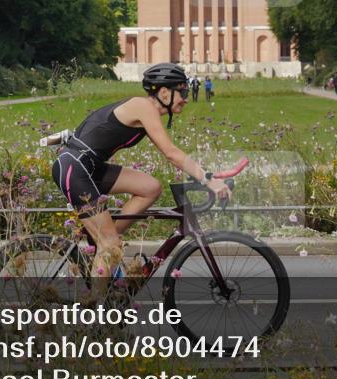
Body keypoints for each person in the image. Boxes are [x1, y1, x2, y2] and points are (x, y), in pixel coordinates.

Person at [51, 63, 232, 288]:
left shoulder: (146, 109)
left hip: (88, 167)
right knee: (110, 243)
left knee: (150, 187)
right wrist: (209, 181)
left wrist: (207, 173)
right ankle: (96, 315)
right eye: (183, 91)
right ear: (164, 92)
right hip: (74, 168)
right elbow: (171, 153)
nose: (186, 98)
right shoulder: (143, 106)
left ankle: (105, 246)